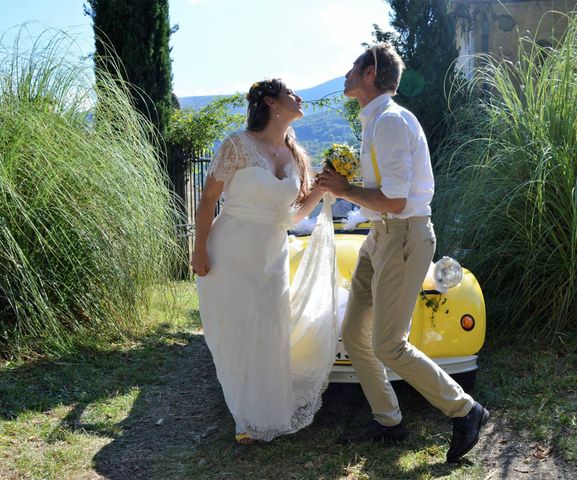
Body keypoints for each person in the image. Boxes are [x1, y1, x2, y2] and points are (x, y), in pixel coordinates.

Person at [317, 43, 489, 463]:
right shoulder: (375, 121)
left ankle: (465, 410)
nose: (346, 73)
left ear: (371, 71)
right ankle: (389, 421)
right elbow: (384, 201)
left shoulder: (391, 122)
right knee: (355, 332)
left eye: (354, 66)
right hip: (380, 236)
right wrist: (354, 203)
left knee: (390, 344)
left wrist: (342, 190)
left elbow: (395, 201)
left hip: (404, 235)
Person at [192, 79, 337, 445]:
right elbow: (209, 200)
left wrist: (319, 191)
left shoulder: (297, 157)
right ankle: (245, 418)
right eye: (292, 94)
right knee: (236, 333)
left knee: (270, 330)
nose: (300, 99)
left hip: (272, 253)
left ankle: (267, 413)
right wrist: (199, 248)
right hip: (230, 251)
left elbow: (291, 218)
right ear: (272, 102)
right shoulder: (236, 146)